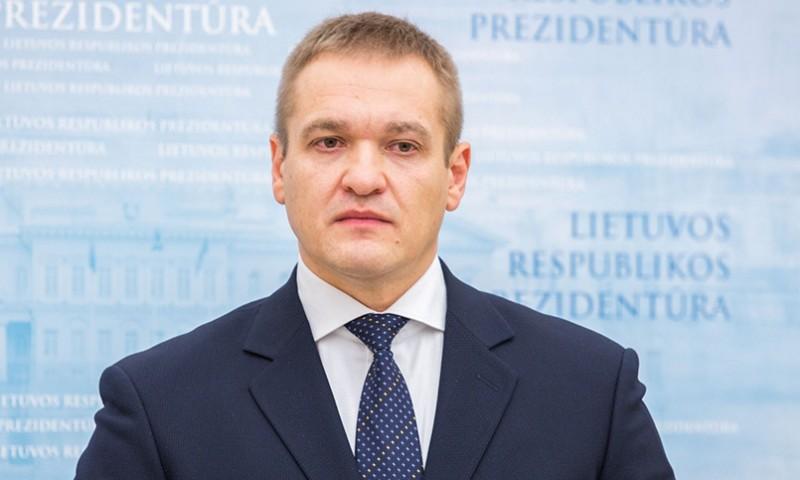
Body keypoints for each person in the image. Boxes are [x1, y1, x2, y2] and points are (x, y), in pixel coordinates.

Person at [75, 12, 674, 480]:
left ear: (455, 175)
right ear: (280, 168)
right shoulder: (158, 403)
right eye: (329, 141)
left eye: (403, 146)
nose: (363, 178)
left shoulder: (591, 388)